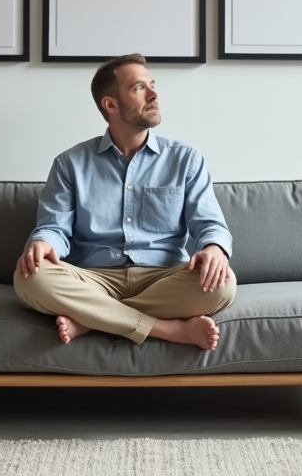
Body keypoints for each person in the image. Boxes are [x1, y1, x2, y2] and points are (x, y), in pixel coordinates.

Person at [13, 53, 236, 351]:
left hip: (164, 276)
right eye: (139, 88)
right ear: (111, 104)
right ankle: (166, 329)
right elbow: (54, 227)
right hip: (93, 278)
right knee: (30, 278)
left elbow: (210, 224)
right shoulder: (70, 164)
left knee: (222, 283)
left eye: (152, 85)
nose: (155, 94)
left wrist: (214, 248)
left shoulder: (186, 160)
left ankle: (92, 320)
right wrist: (43, 243)